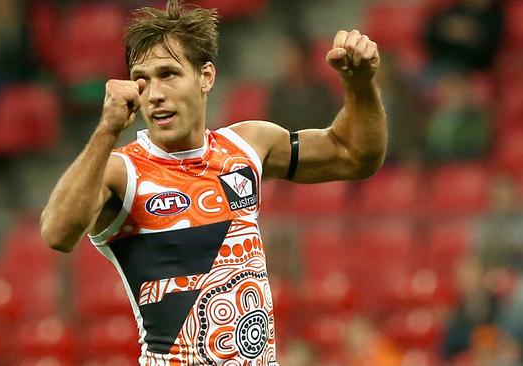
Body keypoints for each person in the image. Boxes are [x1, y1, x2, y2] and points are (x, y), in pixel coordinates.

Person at [40, 1, 387, 364]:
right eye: (143, 79)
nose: (154, 93)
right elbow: (57, 233)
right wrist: (106, 131)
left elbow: (354, 155)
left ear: (206, 76)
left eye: (169, 74)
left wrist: (359, 83)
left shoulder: (248, 145)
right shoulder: (121, 171)